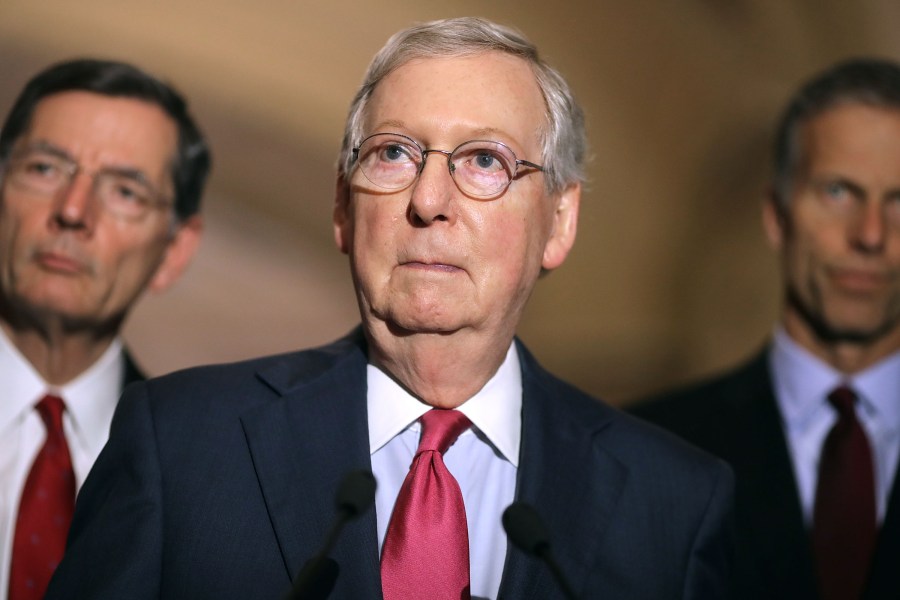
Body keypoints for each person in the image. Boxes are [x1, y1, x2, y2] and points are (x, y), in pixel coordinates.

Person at [46, 18, 733, 600]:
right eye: (394, 153)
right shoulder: (181, 443)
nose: (429, 200)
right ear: (343, 208)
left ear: (558, 221)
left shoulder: (671, 502)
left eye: (485, 161)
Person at [632, 58, 900, 600]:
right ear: (776, 216)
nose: (871, 234)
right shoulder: (645, 457)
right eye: (838, 192)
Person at [0, 59, 209, 600]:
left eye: (125, 192)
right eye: (45, 168)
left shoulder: (201, 482)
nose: (72, 211)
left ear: (174, 251)